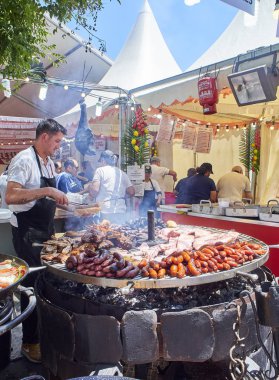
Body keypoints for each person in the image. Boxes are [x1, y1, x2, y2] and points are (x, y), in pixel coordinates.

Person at [6, 119, 68, 363]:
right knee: (31, 286)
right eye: (57, 141)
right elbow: (11, 196)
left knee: (46, 283)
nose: (58, 146)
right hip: (28, 233)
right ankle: (29, 343)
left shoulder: (48, 162)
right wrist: (48, 191)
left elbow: (50, 198)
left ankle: (44, 335)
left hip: (46, 231)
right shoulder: (24, 160)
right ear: (44, 137)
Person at [89, 150, 135, 223]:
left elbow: (94, 191)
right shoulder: (121, 173)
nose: (101, 163)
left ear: (103, 160)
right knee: (118, 232)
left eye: (101, 161)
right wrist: (121, 196)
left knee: (105, 233)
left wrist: (90, 187)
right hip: (121, 211)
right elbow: (132, 192)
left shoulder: (100, 170)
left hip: (105, 211)